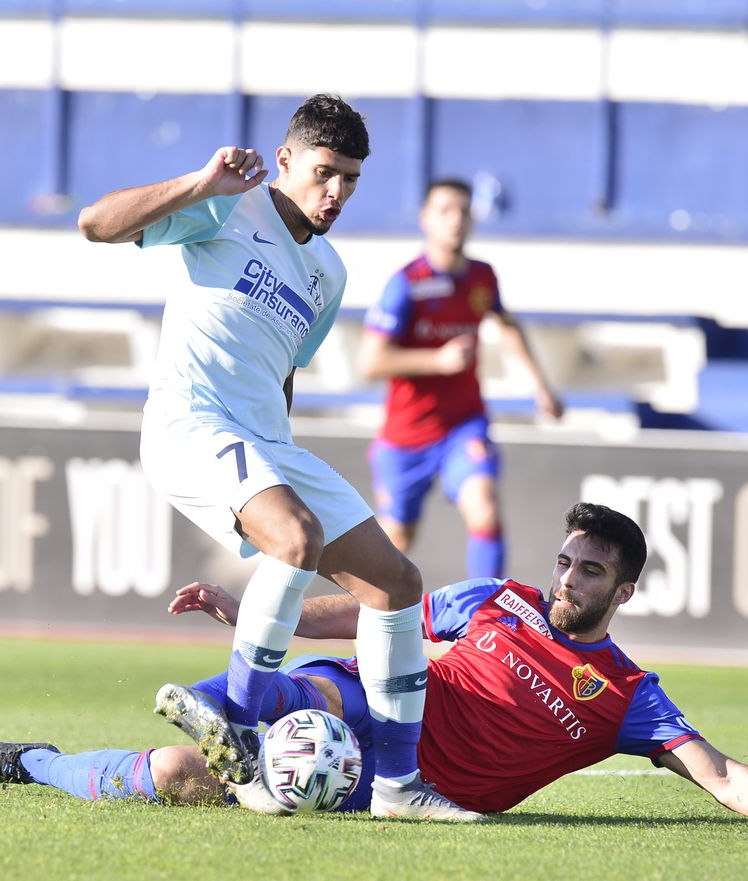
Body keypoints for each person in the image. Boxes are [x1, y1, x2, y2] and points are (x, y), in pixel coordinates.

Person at [0, 504, 748, 829]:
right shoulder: (494, 598)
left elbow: (717, 771)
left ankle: (36, 760)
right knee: (323, 680)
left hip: (392, 779)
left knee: (174, 776)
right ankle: (234, 710)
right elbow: (381, 615)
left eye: (590, 571)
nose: (567, 578)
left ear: (623, 592)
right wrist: (256, 604)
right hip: (368, 704)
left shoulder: (627, 694)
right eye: (566, 559)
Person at [74, 94, 477, 821]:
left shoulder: (329, 271)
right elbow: (94, 223)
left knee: (396, 584)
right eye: (326, 172)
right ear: (284, 159)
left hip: (265, 443)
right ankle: (232, 715)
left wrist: (276, 462)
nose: (338, 193)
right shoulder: (226, 207)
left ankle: (397, 787)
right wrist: (200, 183)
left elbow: (284, 370)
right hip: (190, 425)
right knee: (295, 538)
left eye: (351, 180)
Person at [358, 179, 564, 580]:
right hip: (407, 435)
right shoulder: (406, 285)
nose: (456, 220)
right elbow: (370, 361)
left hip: (463, 426)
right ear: (425, 219)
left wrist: (540, 385)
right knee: (395, 543)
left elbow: (505, 324)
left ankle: (483, 621)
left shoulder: (482, 277)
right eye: (445, 211)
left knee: (484, 508)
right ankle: (366, 628)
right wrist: (438, 360)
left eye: (464, 211)